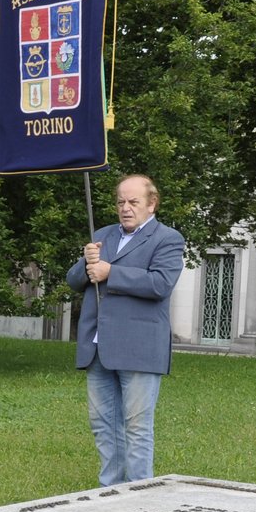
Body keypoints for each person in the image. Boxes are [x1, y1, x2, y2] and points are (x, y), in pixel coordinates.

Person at [65, 174, 185, 486]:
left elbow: (160, 284)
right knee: (103, 424)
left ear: (152, 203)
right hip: (98, 347)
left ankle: (138, 495)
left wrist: (110, 272)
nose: (126, 208)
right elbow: (75, 280)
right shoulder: (103, 235)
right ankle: (109, 492)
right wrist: (87, 261)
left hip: (139, 348)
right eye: (121, 202)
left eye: (133, 202)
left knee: (136, 425)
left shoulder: (167, 239)